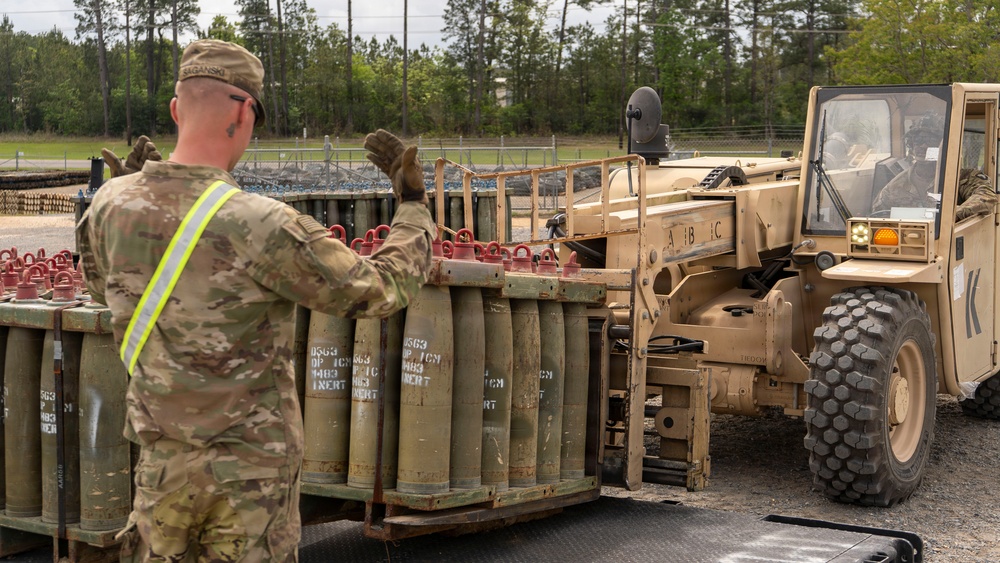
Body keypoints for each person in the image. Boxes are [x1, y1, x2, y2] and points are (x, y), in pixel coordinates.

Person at [77, 39, 435, 562]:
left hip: (161, 468)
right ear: (245, 111)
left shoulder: (109, 205)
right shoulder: (261, 223)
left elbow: (99, 289)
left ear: (177, 110)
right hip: (250, 483)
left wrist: (133, 188)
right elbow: (382, 288)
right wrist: (412, 207)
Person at [873, 113, 997, 221]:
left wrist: (953, 215)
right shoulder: (896, 184)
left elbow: (986, 197)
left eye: (931, 141)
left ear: (943, 146)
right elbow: (877, 215)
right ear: (911, 144)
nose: (923, 146)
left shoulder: (964, 178)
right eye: (918, 141)